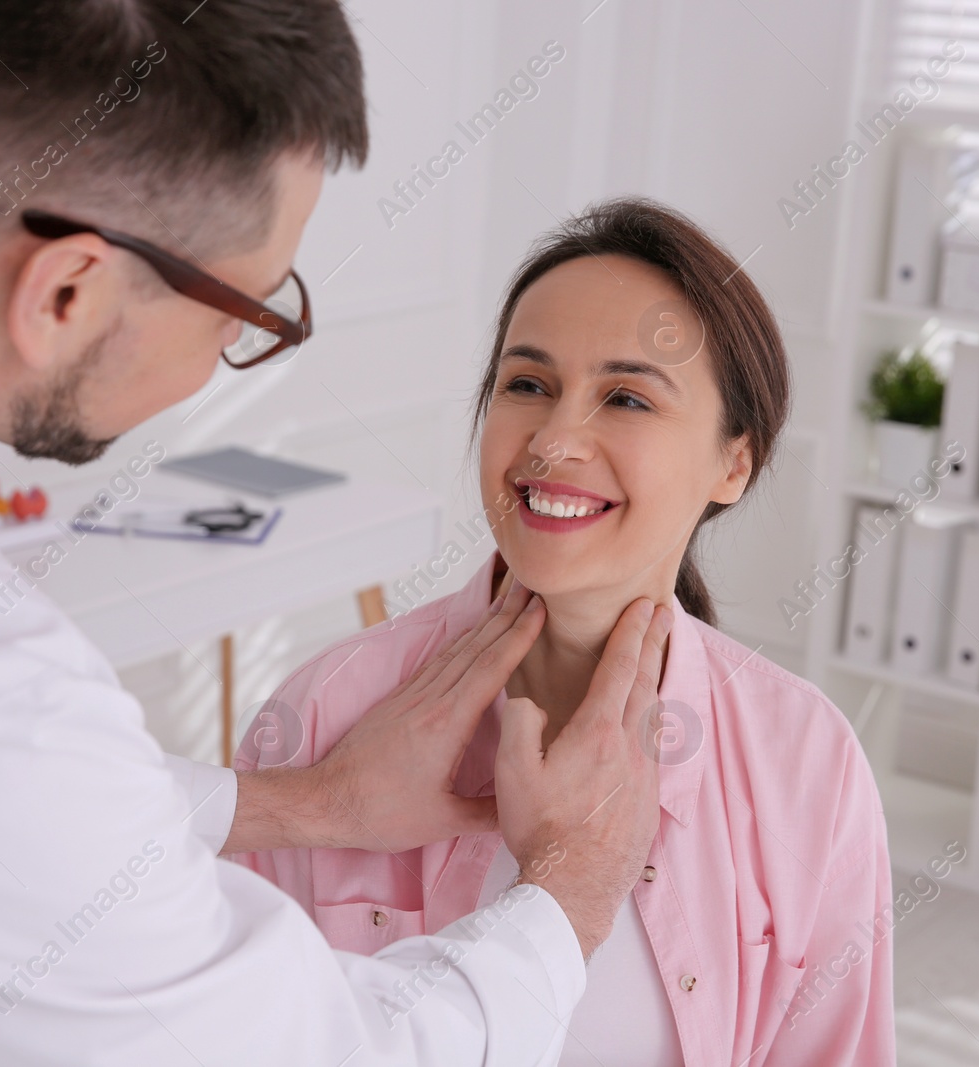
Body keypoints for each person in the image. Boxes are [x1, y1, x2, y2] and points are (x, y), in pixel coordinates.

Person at [0, 3, 671, 1064]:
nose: (224, 357)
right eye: (242, 315)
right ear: (66, 291)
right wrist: (568, 883)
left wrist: (305, 803)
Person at [232, 199, 897, 1065]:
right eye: (527, 384)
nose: (552, 440)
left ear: (733, 462)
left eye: (625, 397)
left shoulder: (806, 759)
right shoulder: (325, 713)